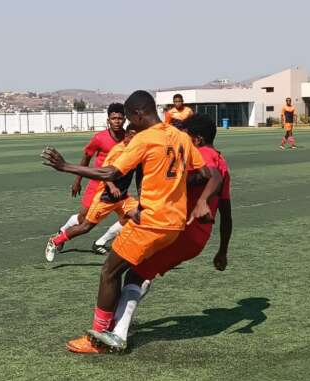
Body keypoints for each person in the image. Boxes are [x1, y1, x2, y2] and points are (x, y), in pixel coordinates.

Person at [41, 90, 222, 354]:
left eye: (129, 118)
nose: (128, 124)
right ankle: (116, 327)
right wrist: (188, 193)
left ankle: (98, 338)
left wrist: (66, 167)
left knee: (109, 272)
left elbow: (110, 172)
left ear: (138, 113)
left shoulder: (145, 139)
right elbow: (207, 173)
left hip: (151, 222)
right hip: (174, 224)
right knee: (132, 273)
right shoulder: (180, 136)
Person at [90, 114, 233, 351]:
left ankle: (118, 332)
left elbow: (212, 177)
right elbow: (226, 213)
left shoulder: (203, 156)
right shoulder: (222, 160)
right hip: (198, 238)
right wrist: (222, 251)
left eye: (186, 134)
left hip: (181, 230)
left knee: (129, 272)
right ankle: (118, 324)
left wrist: (201, 201)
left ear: (196, 139)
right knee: (140, 273)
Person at [45, 126, 139, 262]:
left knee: (137, 215)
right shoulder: (118, 151)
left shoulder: (135, 150)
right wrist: (112, 186)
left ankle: (101, 242)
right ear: (126, 137)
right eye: (132, 136)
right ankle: (55, 240)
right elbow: (104, 171)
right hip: (106, 197)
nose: (135, 139)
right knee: (85, 226)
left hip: (123, 197)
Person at [53, 103, 126, 255]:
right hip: (97, 183)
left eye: (120, 118)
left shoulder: (128, 138)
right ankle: (63, 231)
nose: (117, 121)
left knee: (129, 216)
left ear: (124, 119)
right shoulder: (99, 138)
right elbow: (86, 158)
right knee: (83, 219)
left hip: (119, 186)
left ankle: (101, 242)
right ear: (108, 120)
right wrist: (77, 181)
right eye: (114, 118)